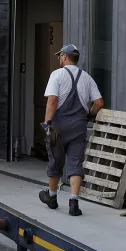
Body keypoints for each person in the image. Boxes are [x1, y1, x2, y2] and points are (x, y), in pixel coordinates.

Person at [38, 44, 104, 216]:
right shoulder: (87, 78)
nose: (60, 58)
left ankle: (51, 197)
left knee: (55, 161)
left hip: (59, 126)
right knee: (75, 163)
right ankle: (73, 202)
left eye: (60, 56)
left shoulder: (57, 75)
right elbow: (99, 103)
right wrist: (88, 116)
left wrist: (47, 123)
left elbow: (52, 100)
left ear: (65, 57)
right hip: (78, 126)